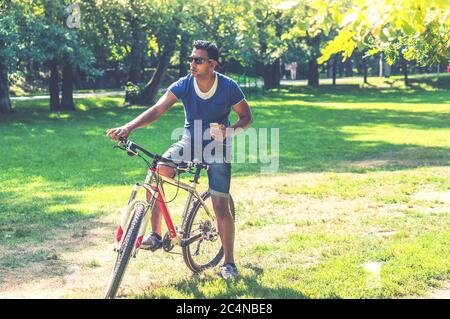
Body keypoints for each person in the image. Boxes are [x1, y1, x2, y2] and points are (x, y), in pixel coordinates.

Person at [106, 40, 253, 280]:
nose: (192, 64)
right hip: (188, 143)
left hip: (218, 147)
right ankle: (155, 233)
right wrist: (128, 127)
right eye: (191, 59)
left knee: (220, 206)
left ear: (212, 64)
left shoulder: (228, 87)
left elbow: (246, 117)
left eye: (198, 60)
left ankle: (229, 263)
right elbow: (158, 109)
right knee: (158, 170)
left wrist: (231, 130)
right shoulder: (185, 84)